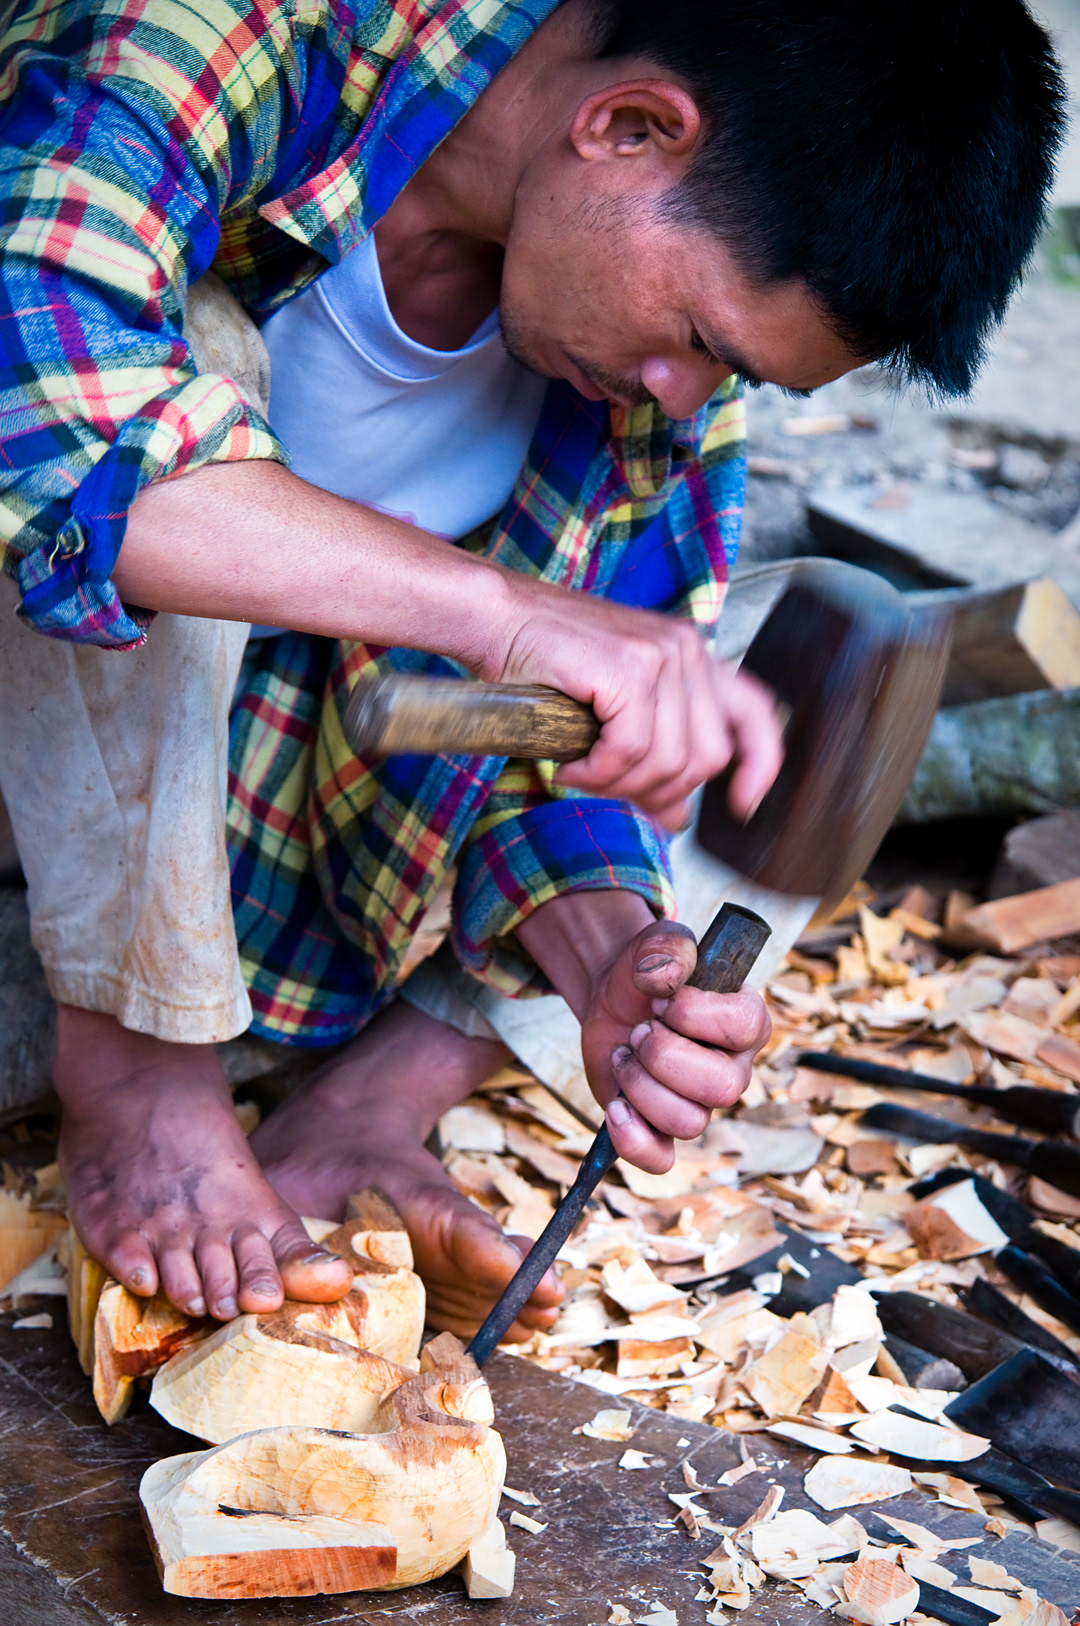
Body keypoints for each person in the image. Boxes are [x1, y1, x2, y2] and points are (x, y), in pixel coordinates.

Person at [0, 0, 1063, 1336]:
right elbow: (39, 421)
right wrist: (503, 612)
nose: (684, 391)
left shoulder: (639, 385)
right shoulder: (219, 33)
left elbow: (572, 750)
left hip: (301, 893)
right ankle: (146, 1075)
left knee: (809, 645)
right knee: (173, 376)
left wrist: (613, 951)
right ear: (627, 127)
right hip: (57, 858)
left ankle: (367, 1111)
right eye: (704, 342)